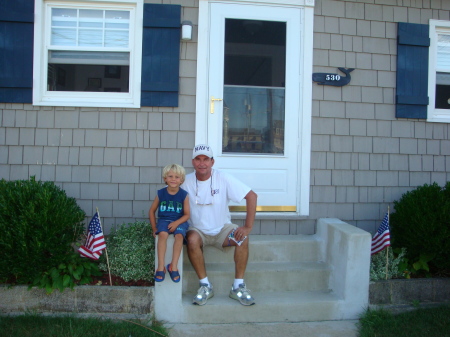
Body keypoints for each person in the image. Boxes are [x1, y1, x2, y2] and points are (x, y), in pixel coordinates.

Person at [181, 144, 257, 306]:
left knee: (242, 238)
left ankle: (238, 286)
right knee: (192, 239)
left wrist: (247, 227)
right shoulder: (185, 181)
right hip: (198, 230)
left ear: (212, 162)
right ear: (193, 162)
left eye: (206, 159)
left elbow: (251, 196)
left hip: (223, 229)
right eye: (198, 159)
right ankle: (205, 285)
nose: (202, 163)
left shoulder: (223, 178)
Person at [149, 164, 190, 283]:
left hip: (179, 220)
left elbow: (187, 214)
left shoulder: (184, 195)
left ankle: (173, 266)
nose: (173, 179)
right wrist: (153, 228)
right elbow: (151, 211)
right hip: (164, 220)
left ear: (181, 180)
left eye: (177, 177)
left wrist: (177, 223)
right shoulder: (160, 193)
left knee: (179, 236)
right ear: (165, 178)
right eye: (170, 176)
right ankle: (161, 267)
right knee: (162, 235)